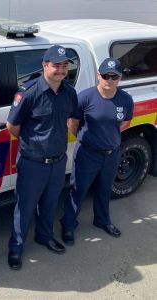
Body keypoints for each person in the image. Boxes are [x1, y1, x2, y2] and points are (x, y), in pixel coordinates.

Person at [6, 45, 78, 270]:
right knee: (25, 207)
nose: (61, 70)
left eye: (65, 65)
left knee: (49, 203)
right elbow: (13, 126)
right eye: (56, 65)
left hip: (57, 161)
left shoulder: (69, 92)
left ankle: (44, 236)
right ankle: (16, 247)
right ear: (44, 65)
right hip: (32, 163)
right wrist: (33, 145)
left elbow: (71, 119)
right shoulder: (28, 93)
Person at [60, 58, 134, 246]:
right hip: (87, 153)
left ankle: (102, 220)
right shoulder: (85, 97)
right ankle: (68, 224)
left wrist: (108, 138)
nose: (109, 80)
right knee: (78, 190)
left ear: (120, 78)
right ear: (98, 75)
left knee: (104, 189)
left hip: (111, 153)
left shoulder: (125, 99)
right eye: (105, 75)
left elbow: (126, 121)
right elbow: (73, 124)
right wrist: (89, 140)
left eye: (114, 76)